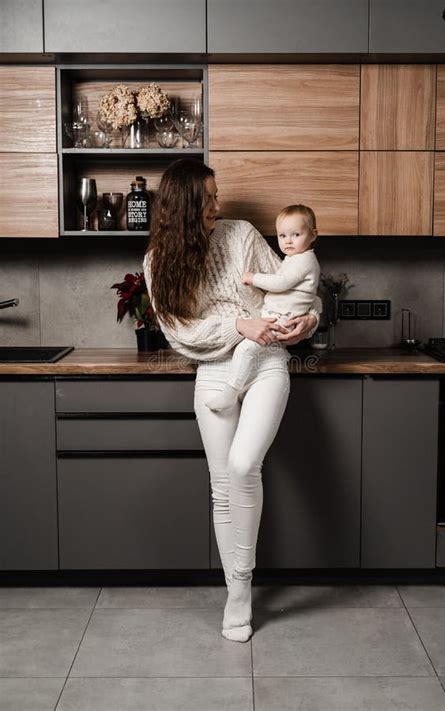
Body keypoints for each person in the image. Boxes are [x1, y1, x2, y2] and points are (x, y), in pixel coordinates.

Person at [142, 158, 321, 644]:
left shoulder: (240, 235)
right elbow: (179, 331)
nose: (219, 206)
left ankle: (241, 584)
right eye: (210, 198)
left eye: (218, 196)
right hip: (215, 370)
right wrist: (238, 324)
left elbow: (293, 286)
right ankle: (238, 592)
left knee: (244, 466)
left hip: (266, 360)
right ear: (184, 207)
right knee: (223, 487)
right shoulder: (159, 261)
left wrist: (308, 322)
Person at [205, 204, 320, 412]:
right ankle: (233, 391)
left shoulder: (303, 261)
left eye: (296, 234)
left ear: (313, 235)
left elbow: (281, 282)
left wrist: (253, 278)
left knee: (245, 350)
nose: (288, 241)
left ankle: (229, 393)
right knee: (249, 352)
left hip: (283, 319)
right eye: (282, 236)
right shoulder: (296, 258)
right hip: (278, 316)